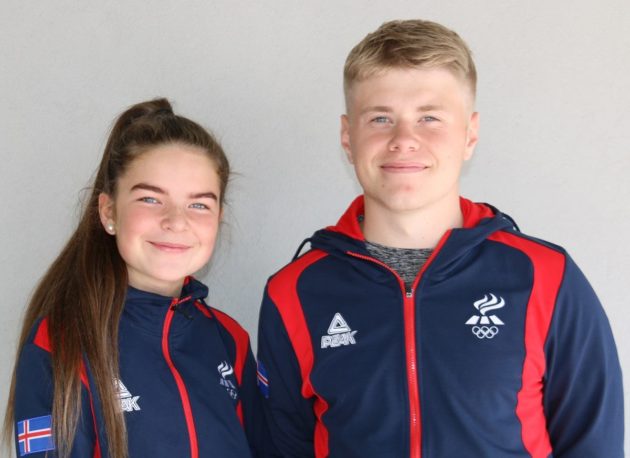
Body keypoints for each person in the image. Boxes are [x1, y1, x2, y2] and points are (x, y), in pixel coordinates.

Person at [256, 19, 624, 457]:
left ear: (470, 135)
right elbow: (283, 446)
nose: (403, 140)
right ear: (347, 137)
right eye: (380, 118)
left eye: (429, 118)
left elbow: (594, 444)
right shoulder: (294, 292)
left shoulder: (545, 277)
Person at [4, 98, 267, 457]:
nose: (176, 221)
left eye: (199, 204)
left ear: (219, 218)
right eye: (150, 199)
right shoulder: (60, 341)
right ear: (109, 212)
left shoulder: (230, 339)